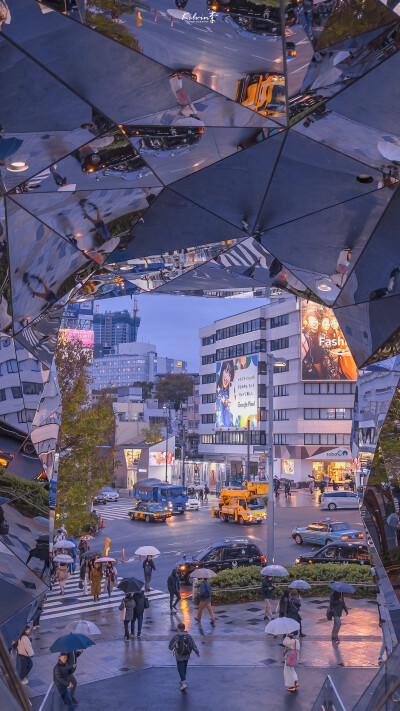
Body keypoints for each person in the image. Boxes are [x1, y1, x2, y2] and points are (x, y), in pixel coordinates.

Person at [168, 622, 200, 691]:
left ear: (178, 629)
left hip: (179, 655)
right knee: (184, 667)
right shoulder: (189, 636)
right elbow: (193, 645)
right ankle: (183, 678)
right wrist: (197, 653)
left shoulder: (176, 636)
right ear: (184, 628)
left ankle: (183, 683)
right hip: (187, 654)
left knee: (180, 669)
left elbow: (170, 647)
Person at [215, 359, 235, 428]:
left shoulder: (230, 394)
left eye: (230, 375)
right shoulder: (217, 392)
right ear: (222, 372)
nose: (227, 378)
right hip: (219, 428)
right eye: (226, 371)